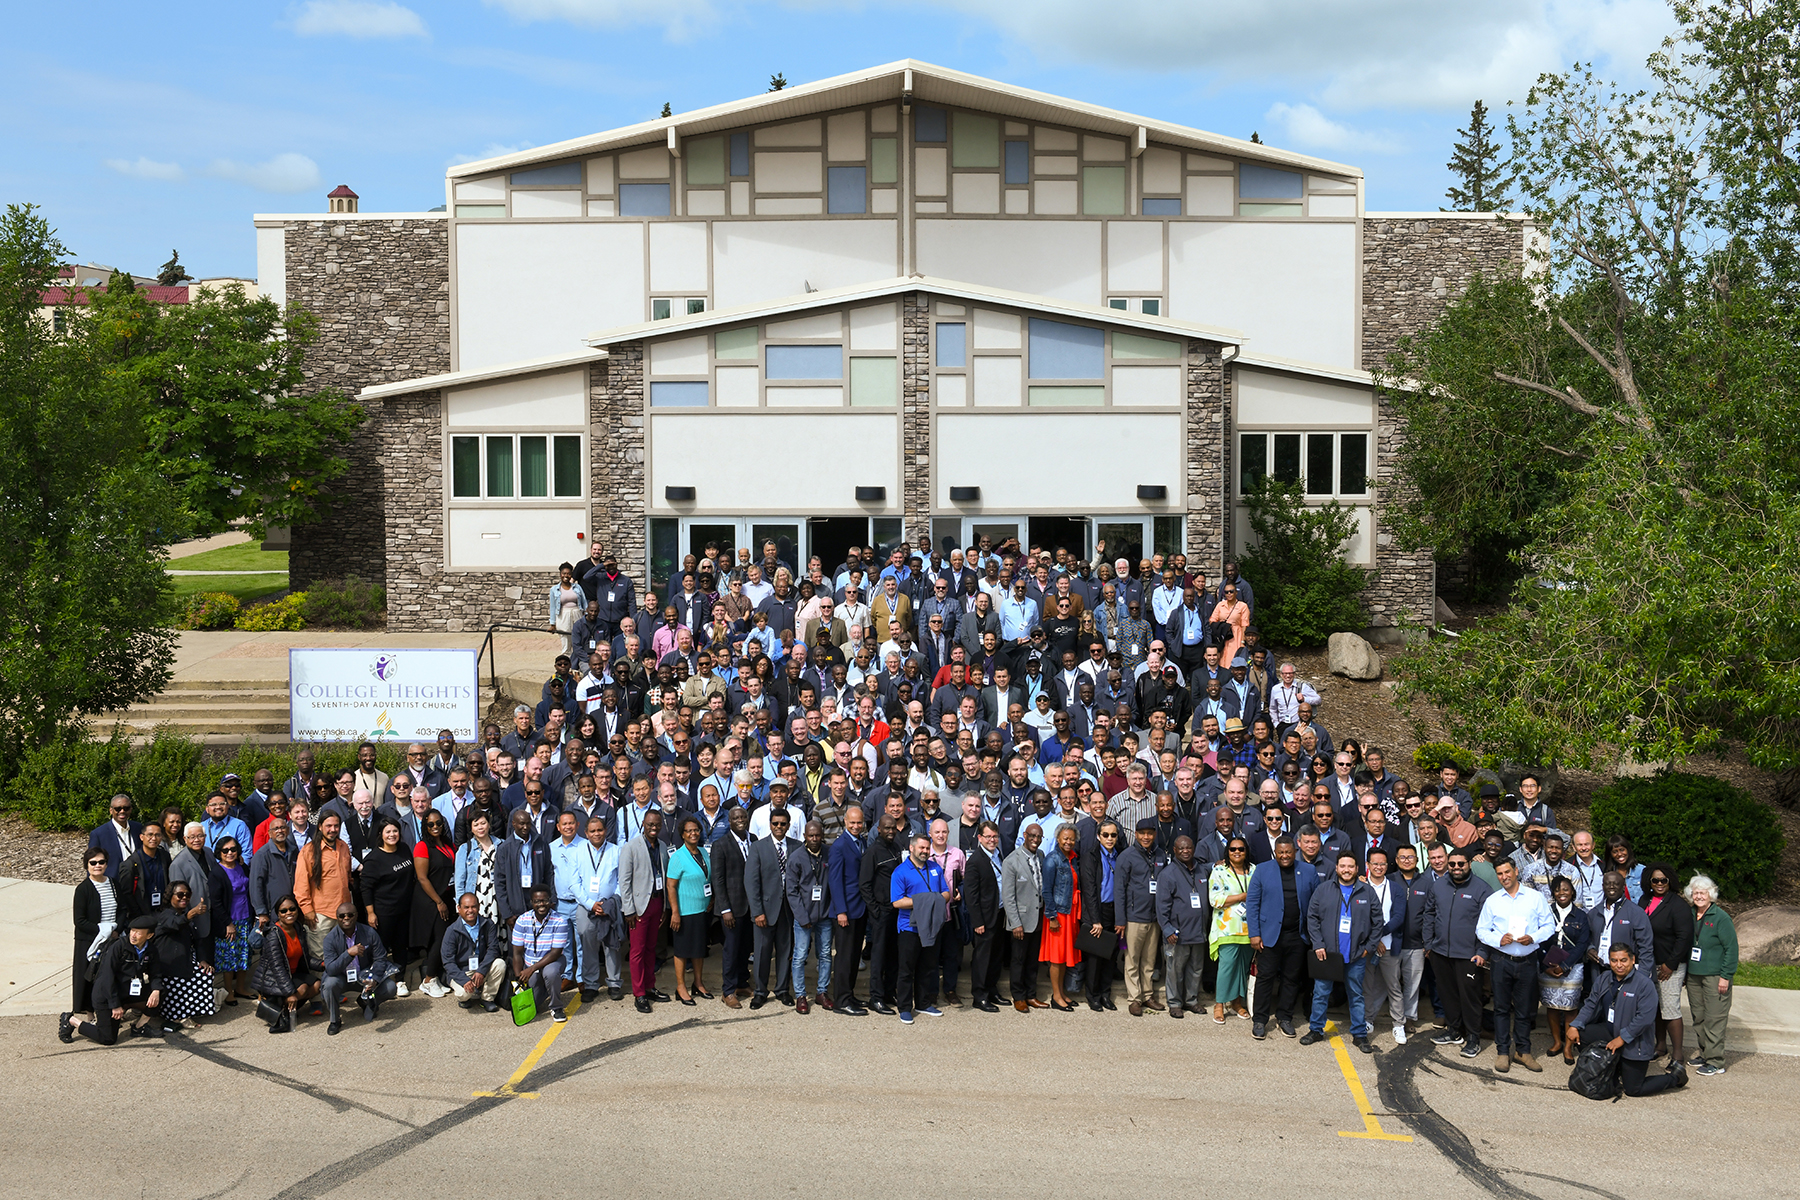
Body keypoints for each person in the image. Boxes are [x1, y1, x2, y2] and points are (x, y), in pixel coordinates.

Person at [1570, 945, 1688, 1095]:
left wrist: (1622, 1038)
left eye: (1623, 960)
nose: (1619, 965)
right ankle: (1612, 1069)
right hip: (1610, 1031)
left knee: (1633, 1089)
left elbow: (1644, 1018)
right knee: (1583, 1033)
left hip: (1635, 1041)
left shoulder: (1645, 984)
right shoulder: (1604, 978)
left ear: (1632, 960)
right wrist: (1575, 1024)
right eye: (1614, 960)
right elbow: (1591, 1004)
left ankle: (1675, 1077)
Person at [1476, 857, 1555, 1071]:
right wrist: (1497, 940)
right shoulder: (1493, 900)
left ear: (1516, 871)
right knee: (1501, 1008)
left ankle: (1523, 1052)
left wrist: (1534, 937)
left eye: (1507, 872)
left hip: (1527, 960)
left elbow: (1550, 925)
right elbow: (1481, 930)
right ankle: (1503, 1052)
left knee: (1524, 1010)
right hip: (1502, 961)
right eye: (1500, 873)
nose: (1504, 877)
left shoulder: (1535, 898)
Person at [1300, 852, 1379, 1053]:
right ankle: (1316, 1030)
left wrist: (1368, 948)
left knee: (1356, 995)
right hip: (1327, 955)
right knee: (1320, 993)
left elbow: (1378, 923)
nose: (1346, 870)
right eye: (1342, 866)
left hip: (1356, 955)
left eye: (1350, 866)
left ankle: (1360, 1035)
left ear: (1357, 869)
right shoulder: (1323, 889)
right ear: (1336, 868)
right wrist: (1317, 944)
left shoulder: (1367, 892)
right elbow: (1312, 917)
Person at [1423, 848, 1495, 1059]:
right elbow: (1429, 913)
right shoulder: (1439, 885)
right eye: (1452, 864)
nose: (1456, 868)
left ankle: (1473, 1037)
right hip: (1440, 952)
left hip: (1469, 955)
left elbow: (1491, 924)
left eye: (1460, 864)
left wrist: (1482, 951)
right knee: (1448, 995)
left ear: (1469, 864)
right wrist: (1429, 944)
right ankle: (1454, 1031)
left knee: (1470, 998)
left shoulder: (1482, 889)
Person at [1247, 837, 1318, 1039]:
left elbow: (1316, 903)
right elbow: (1252, 903)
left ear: (1294, 851)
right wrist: (1255, 933)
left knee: (1291, 979)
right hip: (1269, 936)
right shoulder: (1262, 870)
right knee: (1265, 978)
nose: (1284, 856)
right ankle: (1260, 1020)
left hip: (1297, 935)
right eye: (1281, 853)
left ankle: (1285, 1017)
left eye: (1288, 852)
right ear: (1275, 853)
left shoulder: (1308, 871)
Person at [60, 914, 163, 1046]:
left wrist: (156, 990)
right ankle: (71, 1020)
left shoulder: (151, 950)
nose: (133, 935)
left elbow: (156, 973)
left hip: (127, 992)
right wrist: (115, 1005)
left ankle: (139, 1027)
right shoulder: (118, 947)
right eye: (132, 931)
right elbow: (107, 978)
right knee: (107, 1038)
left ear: (149, 936)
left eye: (138, 932)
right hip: (106, 995)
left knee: (160, 991)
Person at [890, 832, 950, 1024]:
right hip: (910, 928)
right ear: (912, 848)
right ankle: (905, 1007)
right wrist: (927, 901)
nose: (925, 851)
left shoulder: (935, 868)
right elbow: (897, 902)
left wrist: (934, 900)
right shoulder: (900, 871)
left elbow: (946, 892)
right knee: (906, 969)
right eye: (921, 848)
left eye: (927, 848)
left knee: (928, 967)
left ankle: (923, 1003)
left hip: (932, 926)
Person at [1639, 862, 1695, 1067]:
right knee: (1655, 1008)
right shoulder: (1645, 900)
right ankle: (1660, 1046)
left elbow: (1684, 937)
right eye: (1655, 880)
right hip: (1648, 964)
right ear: (1649, 882)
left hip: (1670, 967)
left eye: (1664, 880)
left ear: (1670, 881)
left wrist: (1670, 964)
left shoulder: (1678, 905)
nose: (1660, 883)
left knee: (1670, 1009)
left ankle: (1678, 1054)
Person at [1684, 874, 1737, 1076]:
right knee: (1699, 1016)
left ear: (1711, 894)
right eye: (1695, 892)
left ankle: (1716, 1061)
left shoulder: (1721, 917)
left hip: (1715, 975)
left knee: (1715, 1018)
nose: (1699, 896)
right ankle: (1706, 1053)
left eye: (1703, 892)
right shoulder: (1689, 914)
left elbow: (1731, 949)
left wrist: (1726, 975)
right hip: (1694, 974)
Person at [322, 900, 398, 1034]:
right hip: (342, 977)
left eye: (350, 915)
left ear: (356, 915)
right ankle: (335, 1020)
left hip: (364, 976)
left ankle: (365, 1001)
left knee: (390, 987)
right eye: (342, 916)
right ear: (337, 918)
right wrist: (348, 954)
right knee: (329, 984)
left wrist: (374, 978)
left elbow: (380, 958)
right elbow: (331, 969)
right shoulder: (330, 938)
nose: (346, 918)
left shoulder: (369, 932)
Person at [1154, 835, 1210, 1019]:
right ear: (1175, 851)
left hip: (1199, 932)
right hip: (1177, 934)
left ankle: (1191, 1001)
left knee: (1196, 970)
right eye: (1181, 848)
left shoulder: (1202, 870)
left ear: (1193, 848)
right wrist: (1168, 929)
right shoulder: (1167, 874)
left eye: (1188, 848)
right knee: (1175, 971)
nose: (1185, 851)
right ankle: (1175, 1003)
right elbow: (1161, 907)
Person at [619, 810, 669, 1013]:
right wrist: (629, 910)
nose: (654, 828)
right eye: (650, 825)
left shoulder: (663, 846)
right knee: (637, 951)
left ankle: (650, 986)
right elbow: (624, 881)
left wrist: (665, 906)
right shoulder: (631, 847)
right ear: (643, 824)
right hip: (639, 907)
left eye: (657, 825)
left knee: (651, 948)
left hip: (657, 903)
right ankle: (639, 993)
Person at [361, 818, 417, 997]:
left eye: (395, 831)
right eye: (388, 832)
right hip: (384, 912)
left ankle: (400, 980)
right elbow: (366, 888)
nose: (392, 835)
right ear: (381, 835)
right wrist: (370, 913)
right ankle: (378, 981)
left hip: (404, 910)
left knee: (401, 946)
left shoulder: (404, 849)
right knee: (381, 949)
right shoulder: (374, 859)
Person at [250, 894, 322, 1033]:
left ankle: (288, 1009)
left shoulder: (298, 928)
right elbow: (277, 968)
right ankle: (279, 1010)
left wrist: (324, 964)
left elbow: (305, 958)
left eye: (292, 909)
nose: (288, 913)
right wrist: (290, 993)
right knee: (301, 989)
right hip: (273, 979)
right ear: (278, 914)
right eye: (283, 911)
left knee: (317, 985)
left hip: (291, 973)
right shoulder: (273, 935)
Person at [1359, 848, 1408, 1046]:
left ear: (1387, 866)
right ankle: (1368, 1020)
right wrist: (1373, 941)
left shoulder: (1395, 888)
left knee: (1393, 986)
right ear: (1367, 865)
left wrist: (1379, 935)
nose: (1378, 867)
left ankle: (1398, 1024)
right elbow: (1359, 918)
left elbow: (1398, 917)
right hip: (1367, 947)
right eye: (1375, 863)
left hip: (1389, 946)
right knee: (1367, 986)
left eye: (1382, 864)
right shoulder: (1360, 886)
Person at [1116, 818, 1165, 1016]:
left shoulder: (1160, 854)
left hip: (1154, 917)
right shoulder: (1127, 856)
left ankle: (1147, 995)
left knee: (1149, 961)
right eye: (1142, 833)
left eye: (1150, 833)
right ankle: (1134, 998)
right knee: (1132, 960)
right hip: (1133, 917)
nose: (1146, 837)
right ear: (1136, 834)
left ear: (1154, 834)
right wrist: (1120, 920)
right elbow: (1119, 889)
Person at [1540, 875, 1590, 1063]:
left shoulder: (1581, 916)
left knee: (1570, 1007)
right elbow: (1539, 939)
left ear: (1573, 892)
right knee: (1551, 1006)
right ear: (1553, 893)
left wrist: (1565, 965)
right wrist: (1546, 965)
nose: (1562, 893)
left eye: (1566, 889)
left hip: (1573, 967)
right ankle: (1556, 1042)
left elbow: (1583, 943)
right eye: (1558, 889)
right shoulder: (1545, 912)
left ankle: (1568, 1047)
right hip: (1549, 966)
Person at [153, 881, 215, 1031]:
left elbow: (197, 939)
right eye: (180, 895)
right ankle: (178, 1015)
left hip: (185, 957)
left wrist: (202, 960)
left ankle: (191, 1009)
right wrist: (192, 913)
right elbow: (176, 923)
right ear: (170, 897)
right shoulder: (165, 914)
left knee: (205, 973)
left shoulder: (184, 914)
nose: (184, 898)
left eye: (187, 895)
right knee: (182, 980)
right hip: (168, 962)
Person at [786, 819, 833, 1012]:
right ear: (804, 836)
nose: (814, 839)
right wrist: (802, 917)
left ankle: (822, 992)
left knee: (825, 955)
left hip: (825, 916)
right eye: (810, 835)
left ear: (822, 836)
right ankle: (801, 995)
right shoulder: (796, 857)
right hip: (803, 917)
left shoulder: (829, 853)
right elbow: (792, 890)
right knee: (799, 956)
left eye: (817, 835)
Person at [712, 806, 757, 1009]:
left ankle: (741, 982)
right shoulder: (721, 844)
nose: (740, 820)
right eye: (735, 817)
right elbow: (718, 880)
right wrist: (724, 909)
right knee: (731, 949)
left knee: (745, 948)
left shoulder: (754, 840)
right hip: (731, 908)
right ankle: (728, 990)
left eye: (743, 816)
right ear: (729, 821)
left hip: (750, 907)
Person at [667, 816, 714, 1005]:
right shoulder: (678, 857)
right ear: (682, 834)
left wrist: (712, 899)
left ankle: (698, 983)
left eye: (696, 830)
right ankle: (680, 987)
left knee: (699, 949)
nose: (693, 833)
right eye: (689, 831)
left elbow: (708, 878)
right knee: (682, 950)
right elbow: (671, 886)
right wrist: (675, 912)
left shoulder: (704, 852)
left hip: (703, 909)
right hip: (685, 912)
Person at [826, 805, 868, 1016]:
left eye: (859, 822)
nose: (855, 826)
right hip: (845, 911)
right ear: (845, 822)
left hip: (859, 908)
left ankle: (849, 994)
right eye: (852, 822)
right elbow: (834, 881)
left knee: (853, 956)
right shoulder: (839, 846)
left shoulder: (862, 841)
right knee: (844, 957)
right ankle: (841, 1000)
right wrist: (840, 911)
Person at [1207, 837, 1254, 1026]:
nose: (1237, 852)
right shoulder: (1219, 870)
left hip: (1249, 929)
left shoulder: (1254, 870)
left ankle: (1236, 1002)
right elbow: (1215, 899)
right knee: (1227, 967)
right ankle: (1219, 1004)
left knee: (1242, 968)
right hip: (1227, 928)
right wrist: (1243, 896)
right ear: (1228, 851)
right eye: (1233, 849)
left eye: (1241, 849)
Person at [1077, 818, 1123, 1012]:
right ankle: (1093, 995)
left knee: (1111, 956)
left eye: (1113, 835)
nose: (1110, 838)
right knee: (1095, 957)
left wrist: (1121, 917)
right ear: (1098, 836)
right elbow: (1089, 890)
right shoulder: (1090, 856)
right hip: (1097, 911)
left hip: (1114, 911)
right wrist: (1095, 920)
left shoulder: (1119, 856)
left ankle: (1105, 994)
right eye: (1105, 835)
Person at [410, 810, 457, 998]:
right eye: (431, 824)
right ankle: (428, 980)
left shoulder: (447, 844)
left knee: (443, 938)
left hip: (446, 896)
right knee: (440, 938)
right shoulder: (422, 846)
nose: (435, 827)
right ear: (425, 826)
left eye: (438, 823)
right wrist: (438, 902)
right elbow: (422, 878)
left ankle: (435, 977)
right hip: (430, 899)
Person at [1001, 823, 1047, 1012]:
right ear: (1025, 836)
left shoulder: (1041, 856)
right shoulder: (1011, 861)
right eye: (1032, 836)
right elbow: (1008, 896)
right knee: (1018, 960)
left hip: (1037, 918)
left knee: (1032, 960)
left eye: (1039, 837)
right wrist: (1015, 923)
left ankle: (1031, 994)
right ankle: (1018, 996)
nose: (1035, 840)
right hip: (1020, 920)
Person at [294, 813, 353, 960]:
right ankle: (323, 984)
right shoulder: (309, 851)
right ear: (320, 827)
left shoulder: (343, 846)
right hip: (321, 914)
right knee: (322, 957)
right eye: (328, 826)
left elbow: (348, 877)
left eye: (336, 826)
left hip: (344, 912)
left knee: (343, 954)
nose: (333, 829)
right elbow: (301, 885)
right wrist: (307, 910)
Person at [511, 886, 573, 1023]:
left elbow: (555, 953)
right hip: (530, 965)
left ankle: (556, 1007)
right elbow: (517, 953)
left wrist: (531, 969)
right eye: (537, 901)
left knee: (550, 973)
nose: (541, 904)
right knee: (534, 1005)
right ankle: (546, 987)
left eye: (545, 900)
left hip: (552, 962)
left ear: (550, 901)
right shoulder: (522, 920)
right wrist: (519, 979)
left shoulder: (559, 921)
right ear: (531, 902)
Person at [72, 847, 121, 1018]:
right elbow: (79, 921)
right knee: (89, 978)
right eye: (93, 863)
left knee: (110, 975)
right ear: (87, 866)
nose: (97, 865)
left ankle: (110, 1009)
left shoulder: (114, 884)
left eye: (101, 862)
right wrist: (103, 930)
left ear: (107, 864)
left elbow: (122, 910)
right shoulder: (83, 889)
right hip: (89, 941)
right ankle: (90, 1014)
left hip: (112, 939)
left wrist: (115, 929)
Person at [1038, 825, 1081, 1011]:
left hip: (1071, 914)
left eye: (1071, 839)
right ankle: (1056, 997)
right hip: (1058, 915)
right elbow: (1046, 890)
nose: (1068, 842)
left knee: (1064, 957)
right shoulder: (1052, 860)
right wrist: (1052, 916)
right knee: (1056, 958)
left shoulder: (1073, 858)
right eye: (1065, 838)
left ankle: (1062, 992)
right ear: (1057, 839)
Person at [442, 892, 507, 1012]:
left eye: (473, 906)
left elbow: (493, 949)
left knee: (500, 964)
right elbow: (448, 962)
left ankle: (487, 998)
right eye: (466, 907)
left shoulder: (488, 924)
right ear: (459, 909)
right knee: (464, 993)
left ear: (479, 907)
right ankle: (464, 999)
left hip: (481, 968)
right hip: (462, 971)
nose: (470, 910)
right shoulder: (452, 931)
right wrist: (464, 980)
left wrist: (481, 971)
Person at [211, 837, 256, 1005]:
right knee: (229, 957)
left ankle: (241, 988)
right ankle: (229, 991)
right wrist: (227, 923)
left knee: (244, 955)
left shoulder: (242, 867)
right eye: (225, 850)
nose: (230, 853)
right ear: (219, 853)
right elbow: (215, 902)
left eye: (233, 849)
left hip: (246, 917)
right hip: (229, 921)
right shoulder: (216, 872)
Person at [453, 810, 504, 933]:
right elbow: (459, 880)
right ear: (471, 828)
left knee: (497, 933)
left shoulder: (501, 845)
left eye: (483, 823)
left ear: (489, 824)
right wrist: (460, 904)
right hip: (477, 898)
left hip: (498, 897)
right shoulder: (465, 849)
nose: (480, 827)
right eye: (476, 825)